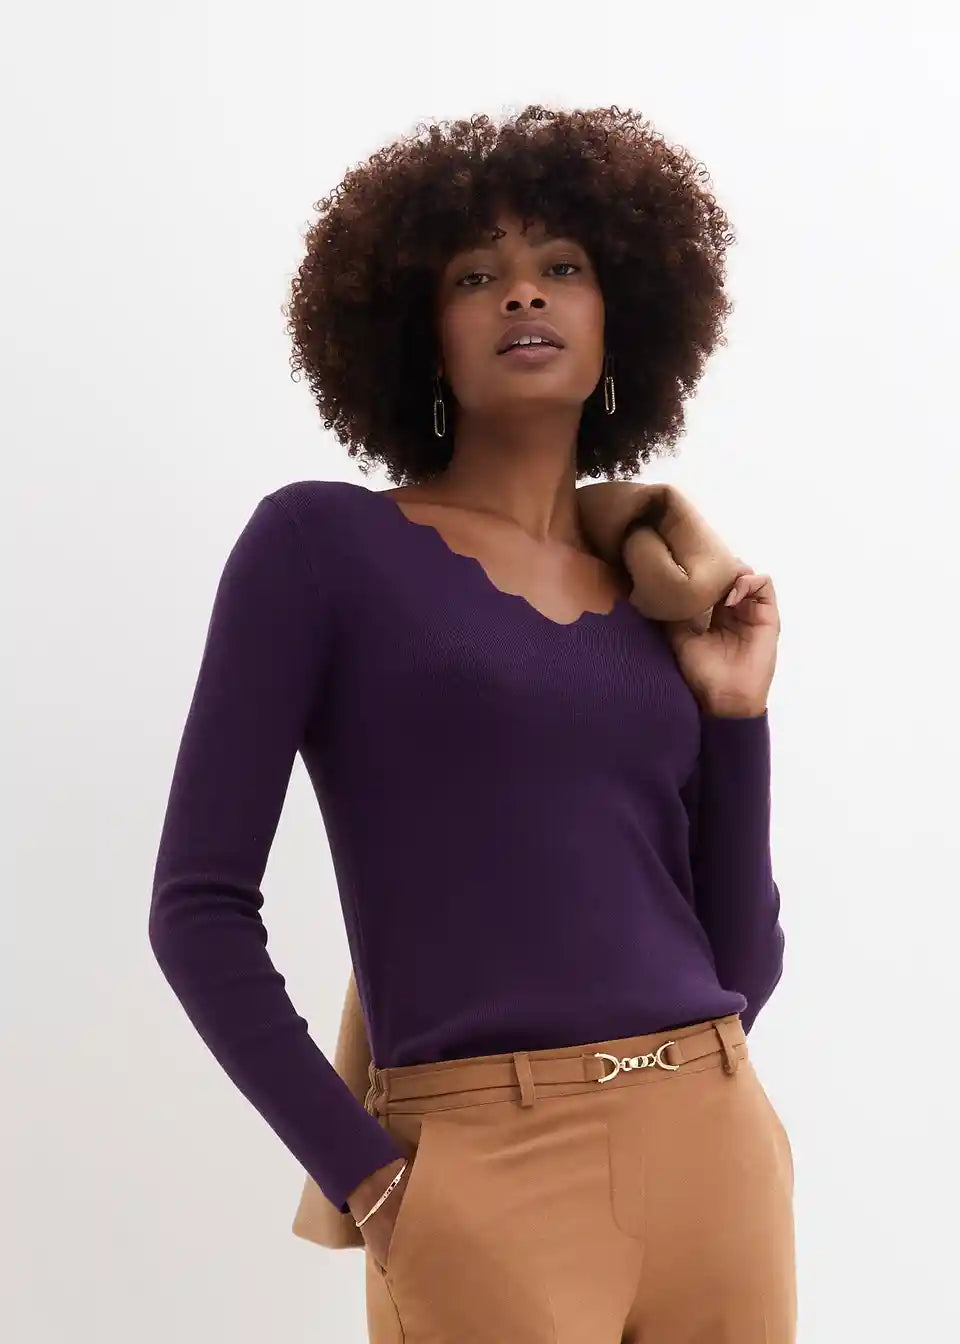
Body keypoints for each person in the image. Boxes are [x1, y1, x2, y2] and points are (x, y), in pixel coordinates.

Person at [148, 104, 795, 1342]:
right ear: (418, 331)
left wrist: (737, 717)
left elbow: (739, 966)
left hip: (717, 1148)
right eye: (474, 275)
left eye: (563, 265)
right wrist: (372, 1179)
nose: (522, 294)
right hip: (483, 1170)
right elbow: (196, 908)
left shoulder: (657, 601)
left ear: (621, 317)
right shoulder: (322, 547)